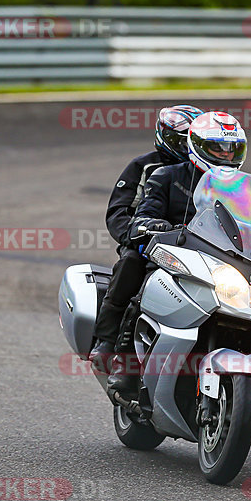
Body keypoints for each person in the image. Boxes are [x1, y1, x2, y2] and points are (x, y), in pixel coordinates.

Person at [107, 111, 248, 395]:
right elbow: (137, 212)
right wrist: (148, 226)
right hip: (169, 249)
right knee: (140, 276)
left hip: (217, 257)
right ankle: (123, 359)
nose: (225, 154)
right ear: (195, 145)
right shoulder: (161, 173)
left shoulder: (243, 187)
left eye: (232, 149)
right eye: (217, 148)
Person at [89, 105, 204, 373]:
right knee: (131, 262)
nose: (187, 147)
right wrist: (135, 233)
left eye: (191, 141)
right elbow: (117, 211)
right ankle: (107, 340)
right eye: (181, 140)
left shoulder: (209, 173)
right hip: (148, 239)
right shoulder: (144, 166)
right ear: (166, 137)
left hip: (198, 245)